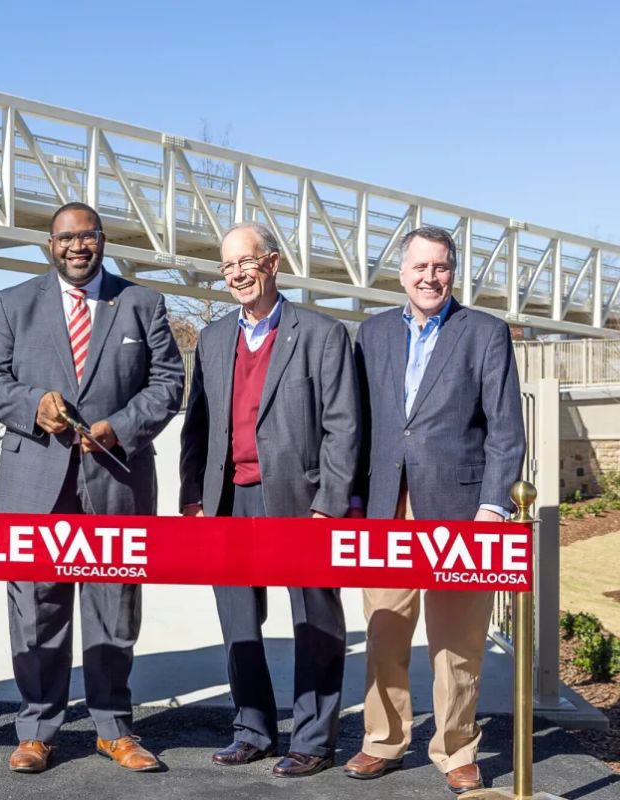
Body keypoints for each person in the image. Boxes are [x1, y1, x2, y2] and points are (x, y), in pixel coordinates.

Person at [0, 201, 184, 774]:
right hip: (36, 479)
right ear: (50, 244)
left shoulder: (142, 303)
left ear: (103, 240)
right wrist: (31, 406)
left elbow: (168, 383)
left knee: (114, 602)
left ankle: (114, 727)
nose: (77, 247)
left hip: (115, 476)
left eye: (87, 237)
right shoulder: (14, 304)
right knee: (36, 605)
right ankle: (37, 727)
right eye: (66, 238)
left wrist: (125, 428)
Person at [345, 225, 524, 795]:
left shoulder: (485, 334)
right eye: (420, 267)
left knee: (457, 641)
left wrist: (493, 507)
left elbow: (505, 430)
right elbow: (358, 426)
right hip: (384, 508)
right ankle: (383, 740)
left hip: (460, 510)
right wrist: (351, 499)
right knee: (385, 632)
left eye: (441, 267)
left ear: (453, 271)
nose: (430, 277)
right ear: (401, 274)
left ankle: (456, 748)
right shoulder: (371, 334)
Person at [179, 221, 358, 777]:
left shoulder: (323, 334)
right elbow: (198, 426)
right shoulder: (211, 339)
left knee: (315, 620)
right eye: (227, 266)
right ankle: (253, 728)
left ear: (273, 264)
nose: (237, 273)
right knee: (237, 620)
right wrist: (193, 499)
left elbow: (343, 427)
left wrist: (328, 502)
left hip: (301, 500)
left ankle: (313, 738)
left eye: (246, 262)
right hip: (229, 499)